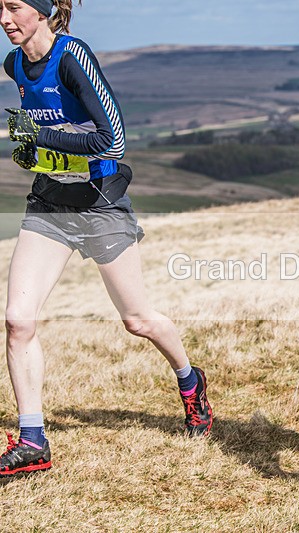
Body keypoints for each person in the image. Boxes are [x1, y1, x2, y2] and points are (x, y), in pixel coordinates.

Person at [0, 0, 212, 477]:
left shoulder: (72, 56)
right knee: (17, 321)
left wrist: (40, 136)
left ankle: (190, 380)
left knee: (137, 320)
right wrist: (34, 150)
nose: (5, 19)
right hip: (50, 204)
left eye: (14, 7)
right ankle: (33, 441)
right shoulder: (15, 64)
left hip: (100, 206)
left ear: (42, 11)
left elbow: (112, 140)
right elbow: (49, 131)